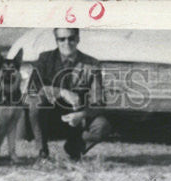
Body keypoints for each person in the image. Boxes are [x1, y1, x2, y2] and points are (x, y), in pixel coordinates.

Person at [28, 28, 110, 161]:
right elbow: (32, 89)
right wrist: (62, 92)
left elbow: (99, 102)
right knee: (35, 102)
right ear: (56, 41)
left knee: (102, 125)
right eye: (62, 39)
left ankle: (73, 148)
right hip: (50, 118)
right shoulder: (45, 59)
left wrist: (81, 115)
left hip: (77, 119)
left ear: (78, 39)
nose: (67, 43)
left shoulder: (92, 64)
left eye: (71, 38)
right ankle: (42, 152)